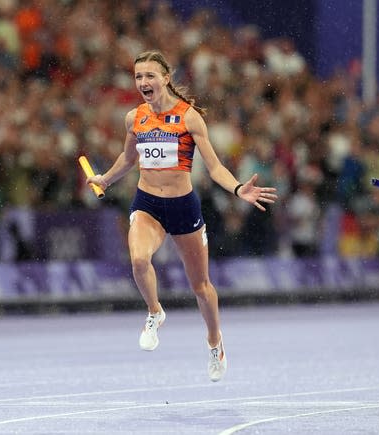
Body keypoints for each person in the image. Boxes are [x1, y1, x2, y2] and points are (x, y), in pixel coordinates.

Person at [85, 50, 277, 382]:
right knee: (139, 261)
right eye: (138, 77)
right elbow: (128, 160)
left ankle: (215, 342)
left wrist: (237, 189)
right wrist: (105, 179)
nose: (143, 82)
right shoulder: (134, 118)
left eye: (150, 76)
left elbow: (215, 167)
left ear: (166, 78)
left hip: (183, 207)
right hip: (147, 205)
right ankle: (154, 312)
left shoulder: (189, 118)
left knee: (201, 286)